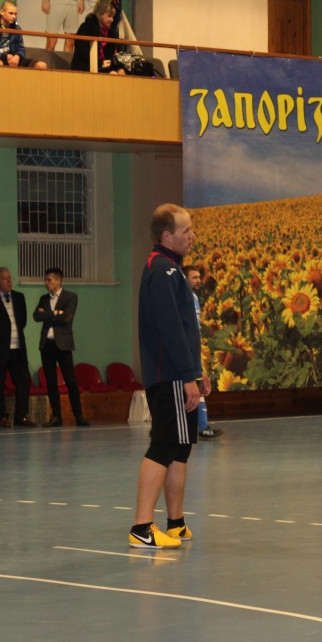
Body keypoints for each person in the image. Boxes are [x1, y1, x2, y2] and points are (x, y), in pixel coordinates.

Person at [129, 204, 210, 550]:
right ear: (166, 236)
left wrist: (199, 369)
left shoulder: (173, 270)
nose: (192, 236)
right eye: (185, 231)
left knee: (180, 446)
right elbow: (171, 329)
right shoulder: (161, 270)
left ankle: (175, 523)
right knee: (164, 444)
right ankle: (141, 527)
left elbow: (186, 329)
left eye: (191, 229)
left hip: (182, 372)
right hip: (170, 375)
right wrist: (187, 375)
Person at [32, 268, 89, 427]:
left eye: (49, 280)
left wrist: (48, 314)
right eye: (45, 280)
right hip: (46, 344)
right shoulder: (44, 298)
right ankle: (56, 416)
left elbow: (67, 318)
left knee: (70, 380)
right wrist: (56, 312)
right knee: (51, 382)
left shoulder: (70, 296)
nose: (46, 283)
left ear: (58, 280)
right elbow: (36, 316)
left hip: (63, 344)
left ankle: (78, 415)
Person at [0, 267, 36, 428]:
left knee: (24, 381)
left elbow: (22, 322)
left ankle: (21, 416)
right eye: (5, 278)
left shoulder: (19, 297)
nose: (9, 281)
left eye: (10, 278)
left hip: (17, 348)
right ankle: (0, 417)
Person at [183, 265, 222, 441]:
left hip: (194, 348)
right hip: (186, 350)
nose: (199, 280)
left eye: (199, 277)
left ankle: (203, 427)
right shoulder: (183, 298)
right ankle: (199, 427)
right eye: (194, 277)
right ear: (185, 279)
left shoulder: (194, 298)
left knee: (198, 387)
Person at [0, 1, 48, 69]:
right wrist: (5, 56)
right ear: (2, 12)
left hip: (13, 59)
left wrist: (17, 56)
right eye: (11, 13)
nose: (14, 16)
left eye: (15, 14)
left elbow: (21, 49)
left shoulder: (17, 29)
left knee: (42, 65)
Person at [70, 2, 125, 74]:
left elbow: (110, 55)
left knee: (121, 71)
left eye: (113, 17)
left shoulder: (110, 31)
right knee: (112, 74)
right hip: (86, 65)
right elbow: (83, 53)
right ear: (100, 15)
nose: (112, 20)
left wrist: (108, 63)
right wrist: (101, 63)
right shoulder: (86, 27)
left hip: (103, 65)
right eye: (109, 16)